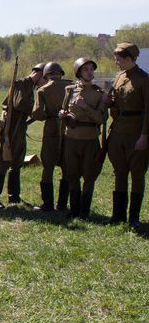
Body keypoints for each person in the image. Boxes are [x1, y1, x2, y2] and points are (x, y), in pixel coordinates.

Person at [0, 64, 45, 208]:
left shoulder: (29, 86)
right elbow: (19, 103)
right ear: (39, 75)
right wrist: (36, 110)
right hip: (11, 129)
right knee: (4, 162)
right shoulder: (22, 84)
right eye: (45, 78)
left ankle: (14, 196)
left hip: (19, 128)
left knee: (17, 162)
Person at [106, 43, 148, 229]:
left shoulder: (144, 80)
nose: (116, 62)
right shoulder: (119, 77)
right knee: (119, 172)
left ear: (130, 58)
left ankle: (134, 217)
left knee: (137, 174)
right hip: (118, 131)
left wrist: (145, 136)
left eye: (119, 59)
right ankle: (118, 215)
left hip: (136, 132)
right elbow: (115, 99)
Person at [60, 57, 108, 219]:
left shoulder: (100, 94)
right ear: (78, 72)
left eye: (91, 69)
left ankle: (84, 211)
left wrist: (85, 107)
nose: (90, 72)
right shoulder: (70, 90)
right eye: (85, 69)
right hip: (71, 138)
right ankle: (74, 209)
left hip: (90, 139)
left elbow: (102, 119)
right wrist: (62, 114)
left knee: (89, 175)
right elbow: (63, 108)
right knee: (72, 174)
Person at [31, 62, 72, 211]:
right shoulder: (71, 87)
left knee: (48, 168)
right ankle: (62, 204)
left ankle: (47, 204)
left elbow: (37, 113)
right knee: (67, 169)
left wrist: (48, 115)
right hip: (70, 131)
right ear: (61, 73)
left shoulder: (42, 90)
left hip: (51, 131)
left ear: (46, 75)